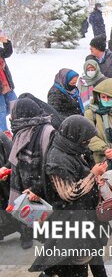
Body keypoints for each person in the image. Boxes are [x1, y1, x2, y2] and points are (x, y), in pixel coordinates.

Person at [28, 115, 112, 277]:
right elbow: (69, 193)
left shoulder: (69, 147)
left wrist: (95, 178)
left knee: (94, 246)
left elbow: (79, 174)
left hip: (86, 213)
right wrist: (93, 175)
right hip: (73, 217)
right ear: (74, 136)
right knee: (80, 257)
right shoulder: (58, 159)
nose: (86, 143)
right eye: (84, 140)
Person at [7, 98, 55, 249]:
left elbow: (51, 165)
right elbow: (17, 160)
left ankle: (54, 267)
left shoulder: (47, 132)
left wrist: (38, 189)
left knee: (53, 233)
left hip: (44, 192)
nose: (11, 118)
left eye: (14, 115)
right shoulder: (21, 132)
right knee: (43, 232)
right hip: (28, 191)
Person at [0, 34, 17, 136]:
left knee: (14, 105)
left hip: (7, 85)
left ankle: (19, 125)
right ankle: (4, 132)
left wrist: (5, 41)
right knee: (1, 109)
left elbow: (7, 52)